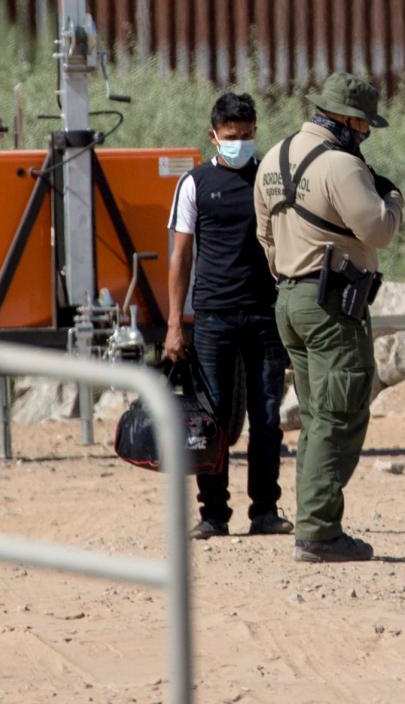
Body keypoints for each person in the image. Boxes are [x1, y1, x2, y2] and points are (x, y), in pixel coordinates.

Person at [254, 73, 404, 563]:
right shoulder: (340, 165)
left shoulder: (272, 159)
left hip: (290, 300)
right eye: (363, 125)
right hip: (331, 305)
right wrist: (394, 199)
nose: (366, 135)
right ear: (347, 119)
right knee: (339, 414)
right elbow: (379, 231)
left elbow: (266, 239)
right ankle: (318, 531)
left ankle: (315, 522)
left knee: (318, 414)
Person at [165, 92, 292, 540]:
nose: (241, 143)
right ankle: (214, 514)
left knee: (268, 419)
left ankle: (265, 511)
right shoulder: (194, 184)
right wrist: (175, 324)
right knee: (211, 421)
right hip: (213, 318)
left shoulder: (271, 181)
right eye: (232, 136)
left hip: (264, 316)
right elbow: (180, 256)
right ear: (214, 137)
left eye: (248, 135)